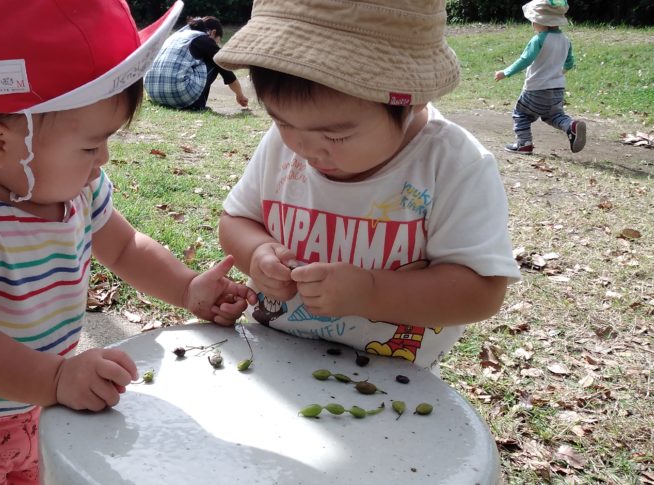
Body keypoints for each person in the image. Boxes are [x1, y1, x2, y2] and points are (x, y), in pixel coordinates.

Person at [0, 1, 255, 483]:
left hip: (42, 407)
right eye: (90, 145)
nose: (102, 158)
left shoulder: (73, 187)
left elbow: (125, 248)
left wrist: (187, 289)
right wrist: (56, 378)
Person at [214, 0, 522, 371]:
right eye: (282, 122)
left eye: (336, 136)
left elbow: (481, 293)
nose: (304, 148)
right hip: (272, 358)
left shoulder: (452, 164)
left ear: (411, 98)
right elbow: (235, 221)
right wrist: (258, 252)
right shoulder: (285, 143)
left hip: (390, 380)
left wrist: (371, 292)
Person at [495, 0, 586, 154]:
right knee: (554, 116)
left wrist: (505, 72)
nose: (532, 24)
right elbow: (569, 63)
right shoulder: (565, 41)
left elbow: (525, 60)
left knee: (521, 114)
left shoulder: (539, 39)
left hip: (536, 89)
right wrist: (559, 72)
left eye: (533, 21)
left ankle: (524, 143)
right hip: (557, 89)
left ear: (541, 22)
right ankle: (571, 126)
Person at [145, 16, 249, 111]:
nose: (216, 44)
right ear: (213, 33)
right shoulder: (205, 39)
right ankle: (197, 104)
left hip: (153, 92)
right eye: (218, 41)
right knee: (217, 60)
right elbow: (226, 72)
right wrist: (240, 95)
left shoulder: (178, 35)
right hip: (178, 93)